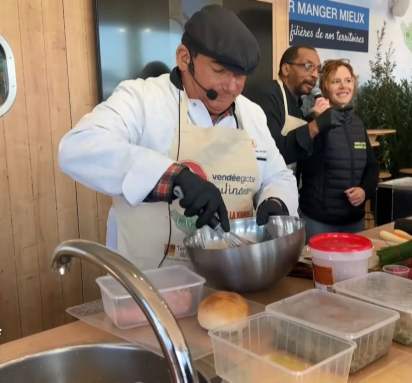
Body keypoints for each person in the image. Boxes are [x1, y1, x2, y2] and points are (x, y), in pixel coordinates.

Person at [59, 5, 298, 271]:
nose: (232, 87)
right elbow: (77, 147)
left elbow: (278, 175)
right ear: (185, 58)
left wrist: (276, 201)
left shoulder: (251, 113)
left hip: (232, 276)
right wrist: (173, 177)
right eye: (220, 71)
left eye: (240, 75)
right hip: (151, 284)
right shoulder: (141, 98)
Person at [298, 59, 379, 239]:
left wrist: (364, 191)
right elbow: (306, 167)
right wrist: (317, 122)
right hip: (319, 222)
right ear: (325, 87)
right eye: (336, 81)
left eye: (348, 80)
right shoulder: (310, 123)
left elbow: (372, 167)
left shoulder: (357, 123)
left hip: (354, 221)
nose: (343, 86)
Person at [248, 46, 340, 167]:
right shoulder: (267, 96)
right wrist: (316, 125)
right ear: (286, 69)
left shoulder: (297, 105)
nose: (315, 75)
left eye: (318, 69)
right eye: (308, 66)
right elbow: (271, 152)